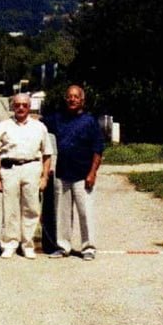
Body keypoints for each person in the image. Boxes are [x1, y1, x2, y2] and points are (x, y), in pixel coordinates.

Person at [43, 84, 105, 260]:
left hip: (83, 175)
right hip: (63, 173)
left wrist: (92, 173)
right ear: (66, 99)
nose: (72, 99)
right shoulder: (57, 118)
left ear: (82, 100)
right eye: (69, 96)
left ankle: (88, 248)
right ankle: (63, 247)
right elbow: (38, 123)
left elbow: (98, 149)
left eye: (76, 96)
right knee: (62, 214)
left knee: (85, 213)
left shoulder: (90, 121)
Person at [0, 93, 53, 259]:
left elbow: (47, 154)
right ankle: (9, 244)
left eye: (24, 105)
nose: (21, 108)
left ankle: (27, 245)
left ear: (29, 106)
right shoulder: (4, 126)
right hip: (10, 170)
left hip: (32, 168)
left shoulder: (39, 127)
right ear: (12, 106)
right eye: (17, 105)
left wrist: (44, 177)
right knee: (10, 209)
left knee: (31, 208)